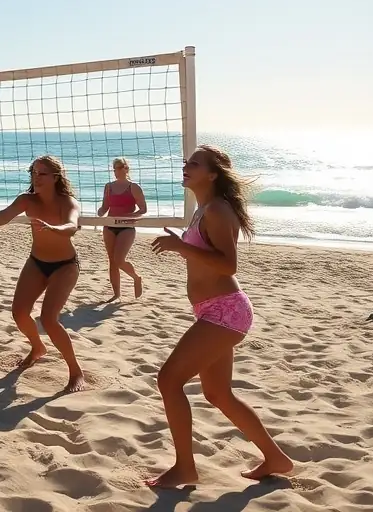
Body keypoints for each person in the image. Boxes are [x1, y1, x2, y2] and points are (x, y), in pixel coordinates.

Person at [146, 145, 293, 488]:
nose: (186, 166)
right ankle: (276, 458)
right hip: (213, 310)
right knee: (218, 394)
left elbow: (229, 265)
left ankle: (185, 467)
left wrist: (181, 247)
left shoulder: (216, 210)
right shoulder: (202, 210)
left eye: (193, 164)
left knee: (169, 380)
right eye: (186, 162)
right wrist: (184, 247)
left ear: (212, 174)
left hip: (225, 310)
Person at [0, 155, 86, 393]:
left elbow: (71, 226)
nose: (36, 178)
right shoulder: (27, 200)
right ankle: (38, 347)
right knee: (18, 312)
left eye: (42, 173)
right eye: (33, 172)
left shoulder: (68, 202)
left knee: (48, 318)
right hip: (37, 262)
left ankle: (75, 370)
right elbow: (3, 215)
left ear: (56, 177)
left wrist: (53, 228)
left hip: (65, 265)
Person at [97, 157, 146, 300]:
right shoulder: (108, 186)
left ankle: (136, 278)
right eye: (114, 168)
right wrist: (99, 213)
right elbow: (105, 207)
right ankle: (116, 294)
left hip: (126, 227)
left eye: (119, 167)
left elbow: (143, 208)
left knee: (119, 259)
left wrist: (129, 217)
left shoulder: (134, 187)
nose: (116, 171)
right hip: (110, 226)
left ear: (126, 168)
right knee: (112, 261)